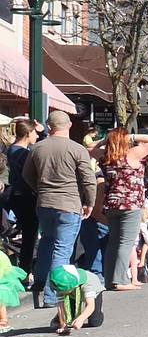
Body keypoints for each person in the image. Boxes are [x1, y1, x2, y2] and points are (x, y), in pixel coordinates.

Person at [22, 110, 97, 311]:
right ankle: (52, 294)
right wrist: (89, 202)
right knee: (62, 249)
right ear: (69, 125)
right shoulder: (77, 149)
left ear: (49, 126)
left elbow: (27, 174)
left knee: (46, 241)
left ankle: (39, 281)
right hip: (69, 202)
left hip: (44, 202)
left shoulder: (37, 148)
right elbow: (89, 179)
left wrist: (39, 189)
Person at [91, 128, 148, 289]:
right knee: (126, 242)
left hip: (111, 204)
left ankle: (110, 279)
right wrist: (132, 136)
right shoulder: (132, 154)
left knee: (114, 242)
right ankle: (120, 280)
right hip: (131, 204)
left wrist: (106, 141)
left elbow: (88, 148)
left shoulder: (105, 158)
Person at [4, 120, 41, 280]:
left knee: (23, 232)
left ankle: (23, 269)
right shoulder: (24, 154)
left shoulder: (9, 149)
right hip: (26, 195)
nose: (37, 136)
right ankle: (26, 271)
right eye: (35, 133)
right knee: (29, 234)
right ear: (28, 134)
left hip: (12, 195)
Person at [48, 263, 105, 332]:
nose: (60, 293)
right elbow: (61, 305)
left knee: (95, 322)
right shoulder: (60, 286)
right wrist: (63, 325)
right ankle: (61, 317)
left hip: (93, 293)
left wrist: (81, 319)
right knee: (70, 319)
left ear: (73, 286)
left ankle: (98, 312)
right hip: (72, 295)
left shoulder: (89, 283)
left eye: (63, 291)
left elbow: (90, 305)